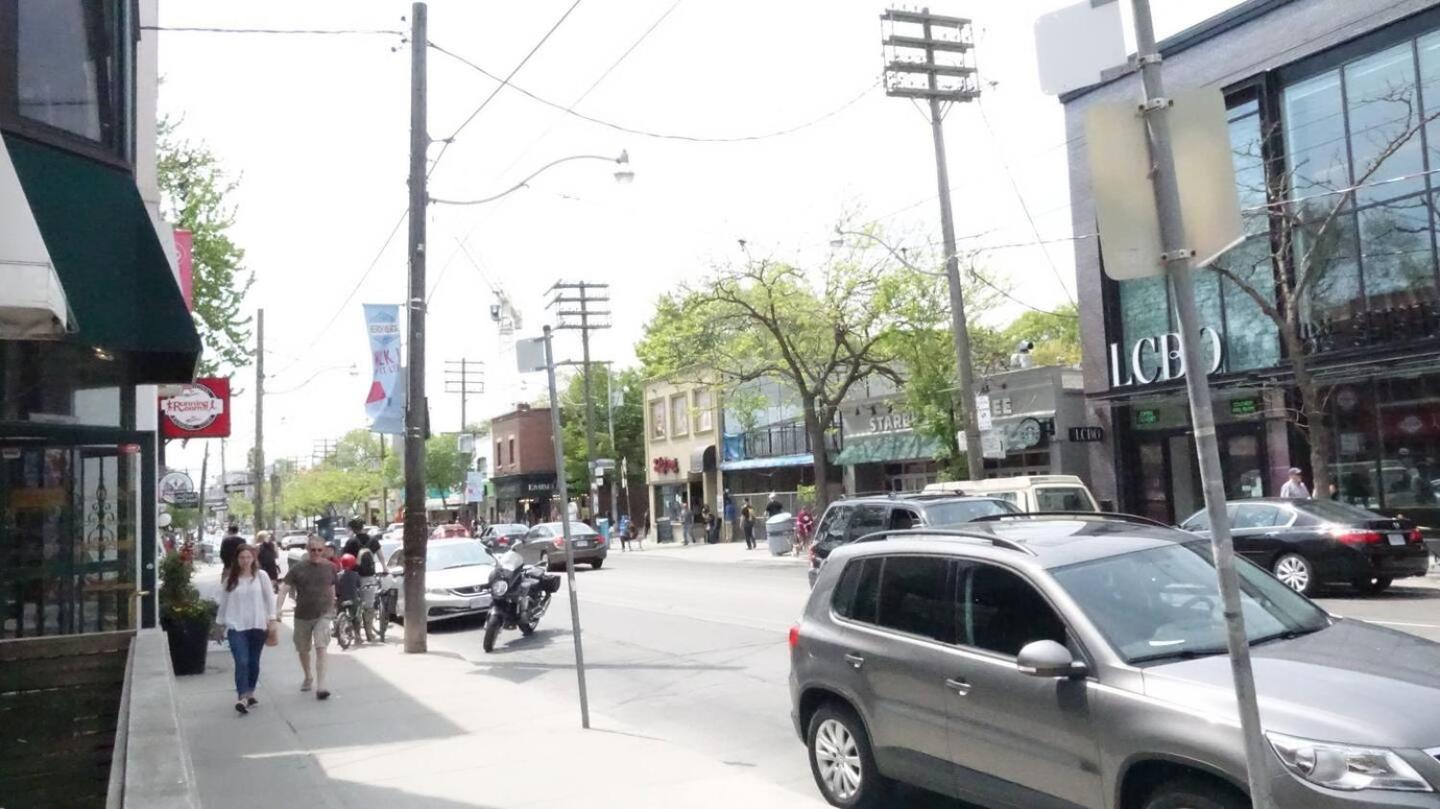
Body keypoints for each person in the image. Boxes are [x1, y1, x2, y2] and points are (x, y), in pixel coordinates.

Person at [214, 544, 277, 715]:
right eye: (242, 557)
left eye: (248, 557)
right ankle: (242, 696)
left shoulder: (261, 576)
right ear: (237, 559)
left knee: (253, 661)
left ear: (253, 558)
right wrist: (219, 625)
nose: (245, 560)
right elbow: (224, 603)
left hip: (257, 625)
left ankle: (250, 692)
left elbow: (270, 599)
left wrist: (272, 619)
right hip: (236, 626)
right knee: (241, 661)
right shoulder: (231, 579)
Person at [278, 535, 337, 700]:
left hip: (323, 614)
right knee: (303, 649)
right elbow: (284, 589)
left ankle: (322, 686)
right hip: (302, 615)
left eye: (319, 550)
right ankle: (308, 676)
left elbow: (332, 588)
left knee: (321, 647)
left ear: (324, 550)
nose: (316, 553)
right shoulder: (298, 568)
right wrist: (277, 609)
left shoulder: (331, 567)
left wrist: (332, 607)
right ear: (308, 550)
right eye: (313, 550)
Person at [335, 554, 362, 647]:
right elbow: (359, 586)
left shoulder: (338, 575)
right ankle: (358, 635)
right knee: (355, 617)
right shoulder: (356, 575)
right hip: (353, 599)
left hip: (341, 600)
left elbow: (336, 588)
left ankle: (337, 634)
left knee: (338, 614)